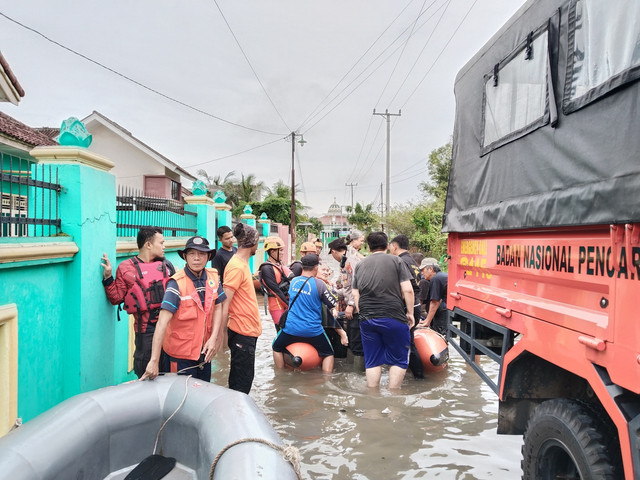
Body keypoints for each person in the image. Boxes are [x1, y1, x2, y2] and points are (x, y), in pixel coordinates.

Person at [140, 236, 226, 382]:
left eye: (202, 254)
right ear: (185, 257)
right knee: (180, 399)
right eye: (192, 254)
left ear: (208, 256)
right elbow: (162, 323)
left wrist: (215, 338)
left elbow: (218, 306)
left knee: (202, 395)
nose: (197, 258)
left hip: (204, 353)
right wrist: (154, 360)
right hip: (180, 357)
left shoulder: (213, 277)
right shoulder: (176, 284)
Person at [101, 226, 175, 378]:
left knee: (168, 376)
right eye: (161, 243)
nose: (164, 246)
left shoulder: (167, 266)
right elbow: (116, 298)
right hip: (145, 333)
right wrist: (108, 277)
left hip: (169, 330)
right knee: (147, 375)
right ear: (148, 245)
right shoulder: (126, 268)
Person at [352, 232, 414, 389]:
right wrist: (411, 313)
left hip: (367, 319)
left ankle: (373, 401)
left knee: (372, 360)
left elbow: (355, 293)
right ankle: (393, 399)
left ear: (368, 247)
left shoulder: (360, 264)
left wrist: (362, 313)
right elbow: (408, 290)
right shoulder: (397, 261)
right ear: (387, 246)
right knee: (399, 359)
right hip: (393, 316)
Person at [272, 254, 347, 373]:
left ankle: (280, 375)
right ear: (316, 267)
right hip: (312, 330)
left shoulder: (294, 282)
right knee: (328, 353)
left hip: (291, 328)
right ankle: (326, 380)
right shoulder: (319, 284)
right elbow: (332, 301)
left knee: (276, 347)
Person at [223, 223, 262, 394]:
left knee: (245, 378)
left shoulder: (243, 263)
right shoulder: (237, 266)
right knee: (241, 384)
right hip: (241, 332)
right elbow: (224, 302)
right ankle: (235, 415)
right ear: (253, 243)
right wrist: (221, 336)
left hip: (247, 331)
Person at [389, 234, 424, 379]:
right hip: (415, 304)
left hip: (407, 306)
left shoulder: (400, 261)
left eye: (390, 246)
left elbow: (405, 289)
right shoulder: (411, 260)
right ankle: (413, 374)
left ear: (395, 246)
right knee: (407, 341)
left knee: (407, 344)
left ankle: (419, 376)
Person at [329, 236, 364, 364]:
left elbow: (358, 283)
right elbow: (346, 287)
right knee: (352, 340)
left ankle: (358, 373)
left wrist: (351, 304)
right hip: (351, 307)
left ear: (333, 251)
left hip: (356, 308)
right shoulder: (345, 261)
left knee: (356, 342)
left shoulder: (351, 261)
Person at [259, 236, 294, 331]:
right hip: (276, 305)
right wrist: (290, 305)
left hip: (285, 303)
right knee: (282, 331)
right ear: (272, 252)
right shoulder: (267, 268)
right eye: (281, 250)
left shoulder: (280, 265)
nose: (283, 253)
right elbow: (276, 291)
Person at [418, 258, 448, 336]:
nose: (421, 273)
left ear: (431, 269)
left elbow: (435, 302)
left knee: (439, 335)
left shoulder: (436, 279)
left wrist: (427, 322)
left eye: (423, 270)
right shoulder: (440, 276)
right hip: (445, 309)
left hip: (444, 312)